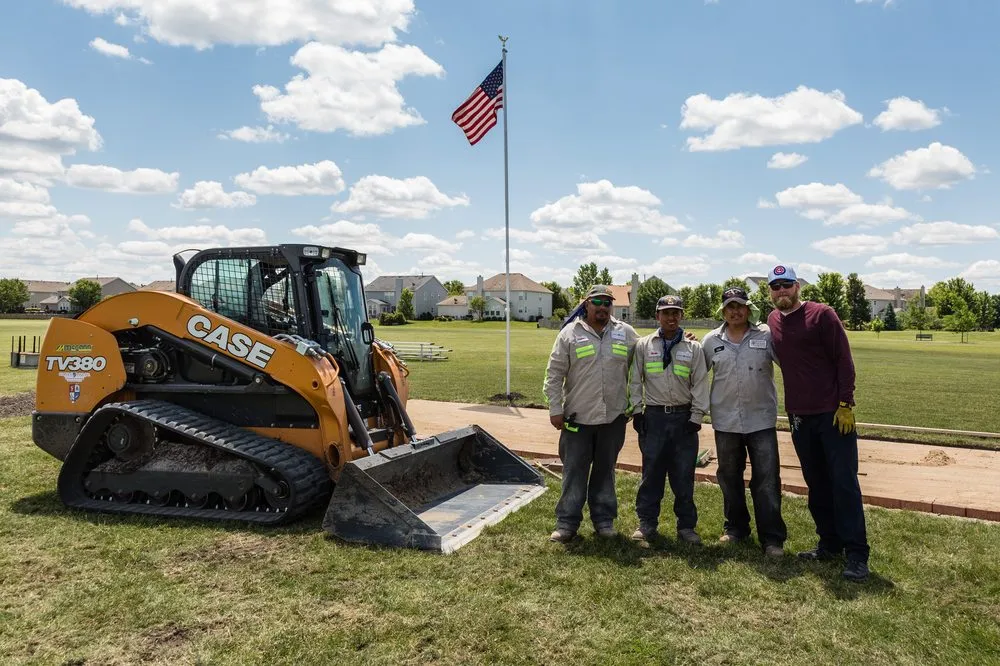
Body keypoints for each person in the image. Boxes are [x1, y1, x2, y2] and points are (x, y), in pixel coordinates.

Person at [766, 264, 871, 582]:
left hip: (832, 414)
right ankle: (829, 543)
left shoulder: (822, 314)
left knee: (843, 483)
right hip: (799, 416)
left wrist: (845, 403)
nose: (781, 291)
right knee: (817, 484)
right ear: (770, 292)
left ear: (797, 286)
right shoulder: (772, 321)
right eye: (775, 287)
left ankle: (856, 554)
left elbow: (843, 359)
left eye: (786, 285)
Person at [543, 284, 639, 543]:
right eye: (597, 301)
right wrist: (555, 409)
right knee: (574, 472)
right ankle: (566, 524)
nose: (603, 307)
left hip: (613, 418)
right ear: (586, 304)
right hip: (578, 419)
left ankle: (604, 521)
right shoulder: (569, 334)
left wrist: (683, 339)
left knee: (605, 471)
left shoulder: (625, 333)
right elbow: (554, 375)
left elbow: (648, 353)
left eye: (608, 302)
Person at [702, 287, 787, 558]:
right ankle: (736, 528)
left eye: (740, 306)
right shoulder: (710, 341)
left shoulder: (766, 335)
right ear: (723, 311)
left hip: (760, 420)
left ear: (748, 309)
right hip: (725, 421)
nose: (735, 311)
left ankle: (771, 538)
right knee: (729, 477)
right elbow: (696, 374)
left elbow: (790, 362)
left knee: (767, 479)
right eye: (730, 307)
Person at [628, 295, 710, 544]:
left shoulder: (693, 347)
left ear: (681, 315)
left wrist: (696, 416)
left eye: (676, 312)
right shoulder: (644, 345)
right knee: (651, 474)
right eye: (666, 313)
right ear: (657, 316)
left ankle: (686, 527)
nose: (671, 317)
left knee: (683, 475)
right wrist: (637, 411)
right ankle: (646, 523)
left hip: (683, 418)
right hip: (654, 418)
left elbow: (700, 383)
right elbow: (634, 380)